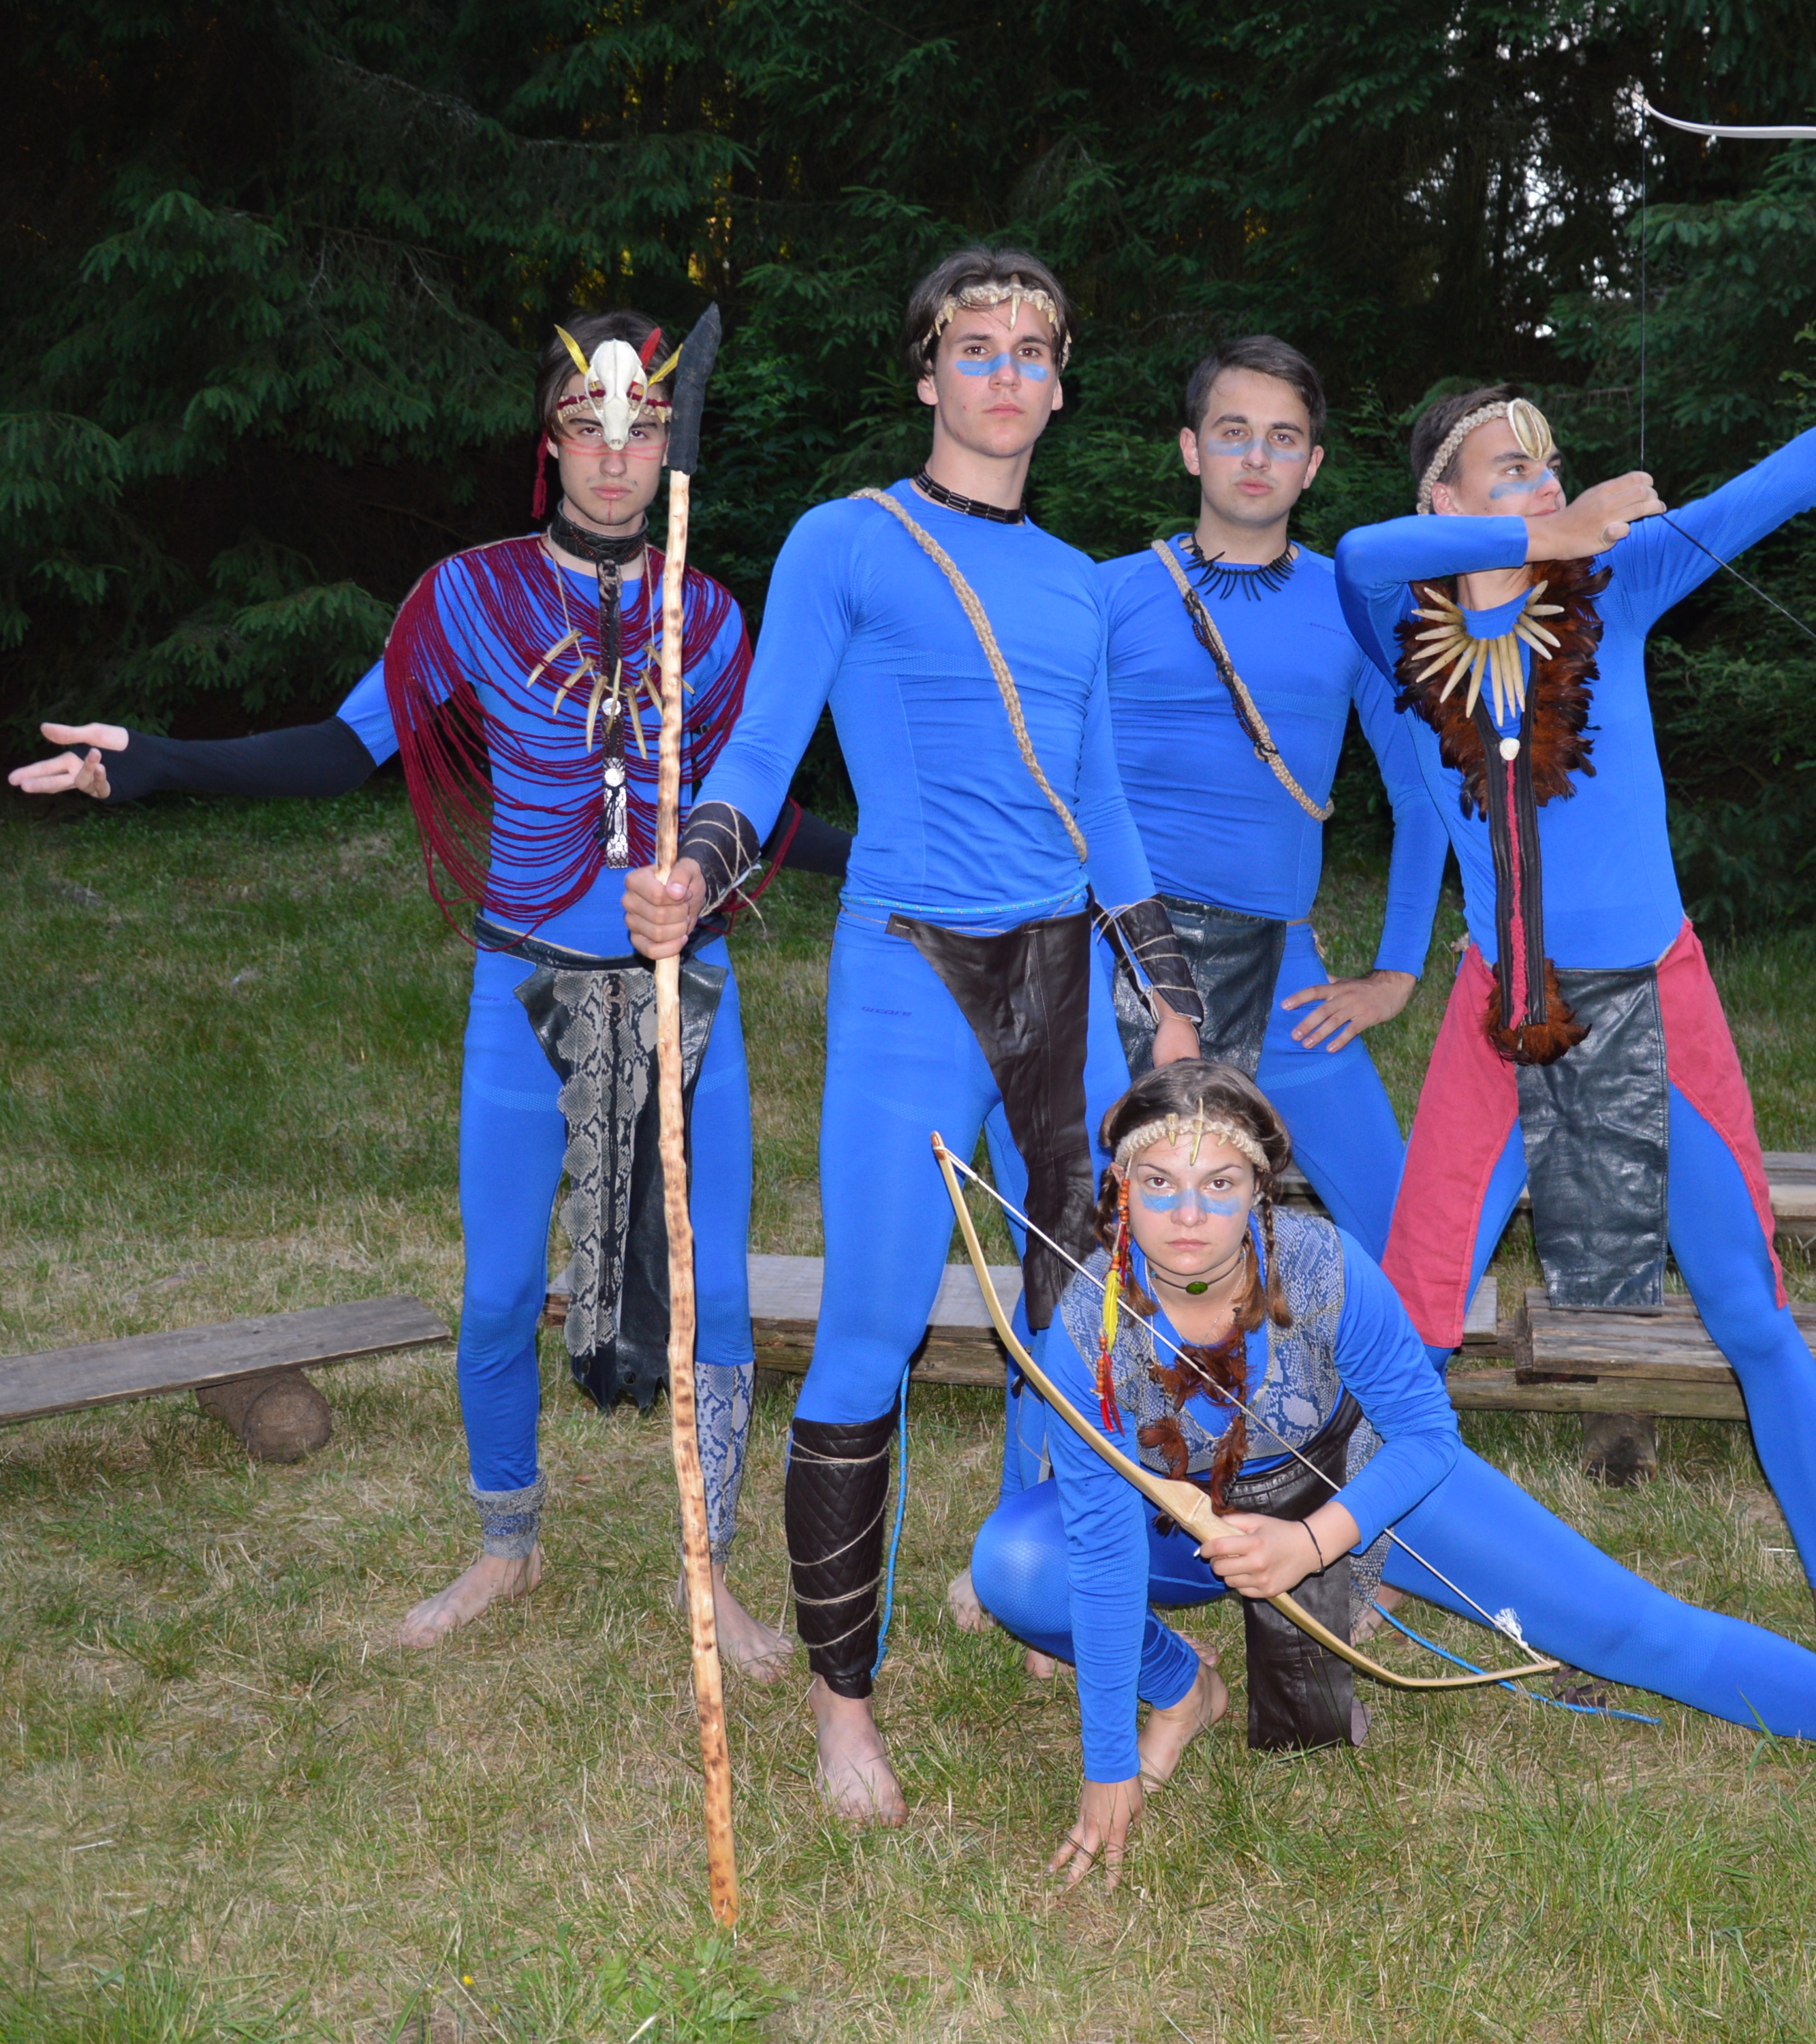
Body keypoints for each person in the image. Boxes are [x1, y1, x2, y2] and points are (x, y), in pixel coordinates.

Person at [9, 310, 845, 1667]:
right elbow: (347, 747)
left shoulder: (708, 613)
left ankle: (713, 1572)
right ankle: (507, 1544)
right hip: (523, 987)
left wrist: (894, 863)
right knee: (501, 1290)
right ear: (549, 441)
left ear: (671, 448)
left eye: (642, 429)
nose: (615, 456)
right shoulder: (469, 595)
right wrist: (155, 762)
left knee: (716, 1303)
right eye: (587, 424)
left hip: (680, 989)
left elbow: (758, 815)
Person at [1332, 290, 1816, 1686]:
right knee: (1414, 1317)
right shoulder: (1399, 628)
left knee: (1749, 1309)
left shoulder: (1615, 590)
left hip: (1656, 999)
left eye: (1551, 467)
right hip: (1505, 1013)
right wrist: (1549, 530)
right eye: (1509, 469)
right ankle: (1362, 1563)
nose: (1544, 485)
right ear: (1446, 499)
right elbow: (1360, 549)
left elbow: (1788, 478)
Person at [624, 248, 1204, 1825]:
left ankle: (1057, 1604)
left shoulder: (1080, 583)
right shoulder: (848, 541)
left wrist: (1165, 990)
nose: (1007, 373)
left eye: (1034, 350)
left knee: (1086, 1332)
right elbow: (760, 758)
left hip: (1067, 986)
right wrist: (694, 871)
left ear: (1062, 386)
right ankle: (844, 1711)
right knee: (870, 1334)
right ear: (928, 374)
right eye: (976, 347)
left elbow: (1103, 807)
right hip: (909, 975)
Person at [969, 1059, 1816, 1885]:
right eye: (1158, 1182)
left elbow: (1426, 1434)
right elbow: (1103, 1551)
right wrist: (1107, 1763)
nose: (1188, 1215)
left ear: (1260, 1190)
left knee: (1637, 1632)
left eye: (1219, 1183)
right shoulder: (1088, 1322)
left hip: (1364, 1488)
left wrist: (1314, 1542)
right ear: (1120, 1189)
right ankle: (1186, 1690)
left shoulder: (1320, 1263)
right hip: (1195, 1527)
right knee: (1019, 1565)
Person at [1080, 336, 1451, 1260]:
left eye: (1283, 438)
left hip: (1282, 974)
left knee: (1404, 1239)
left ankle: (1341, 1364)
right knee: (1101, 1244)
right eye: (1233, 430)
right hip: (1115, 963)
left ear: (1312, 464)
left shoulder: (1360, 606)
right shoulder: (1105, 596)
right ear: (1190, 448)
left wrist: (1396, 974)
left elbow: (1422, 797)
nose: (1257, 455)